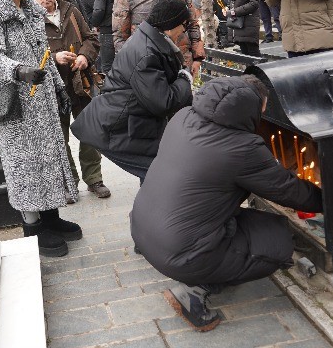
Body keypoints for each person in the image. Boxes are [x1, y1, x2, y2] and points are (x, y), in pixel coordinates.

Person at [131, 75, 322, 332]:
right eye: (261, 112)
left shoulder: (182, 116)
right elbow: (289, 191)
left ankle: (201, 264)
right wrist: (329, 199)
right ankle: (196, 290)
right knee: (279, 244)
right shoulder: (241, 147)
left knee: (245, 222)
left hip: (144, 230)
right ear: (249, 108)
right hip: (181, 252)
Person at [0, 0, 81, 257]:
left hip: (44, 99)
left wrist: (60, 88)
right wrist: (20, 70)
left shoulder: (34, 10)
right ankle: (33, 225)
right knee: (26, 165)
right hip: (18, 103)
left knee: (49, 157)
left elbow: (44, 52)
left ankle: (52, 216)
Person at [72, 0, 194, 182]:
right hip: (115, 127)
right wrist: (185, 79)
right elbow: (163, 101)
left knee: (158, 174)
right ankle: (152, 211)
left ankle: (153, 210)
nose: (184, 31)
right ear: (170, 24)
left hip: (129, 122)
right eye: (183, 25)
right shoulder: (146, 53)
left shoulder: (149, 40)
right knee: (161, 174)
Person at [33, 0, 111, 199]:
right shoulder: (30, 19)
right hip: (52, 88)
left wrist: (85, 56)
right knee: (60, 137)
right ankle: (69, 183)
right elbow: (28, 55)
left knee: (89, 131)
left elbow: (92, 40)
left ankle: (94, 179)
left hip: (80, 83)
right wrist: (54, 58)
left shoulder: (71, 10)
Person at [91, 0, 124, 73]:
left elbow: (99, 10)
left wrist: (94, 23)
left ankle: (110, 89)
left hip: (107, 31)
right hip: (123, 28)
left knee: (107, 66)